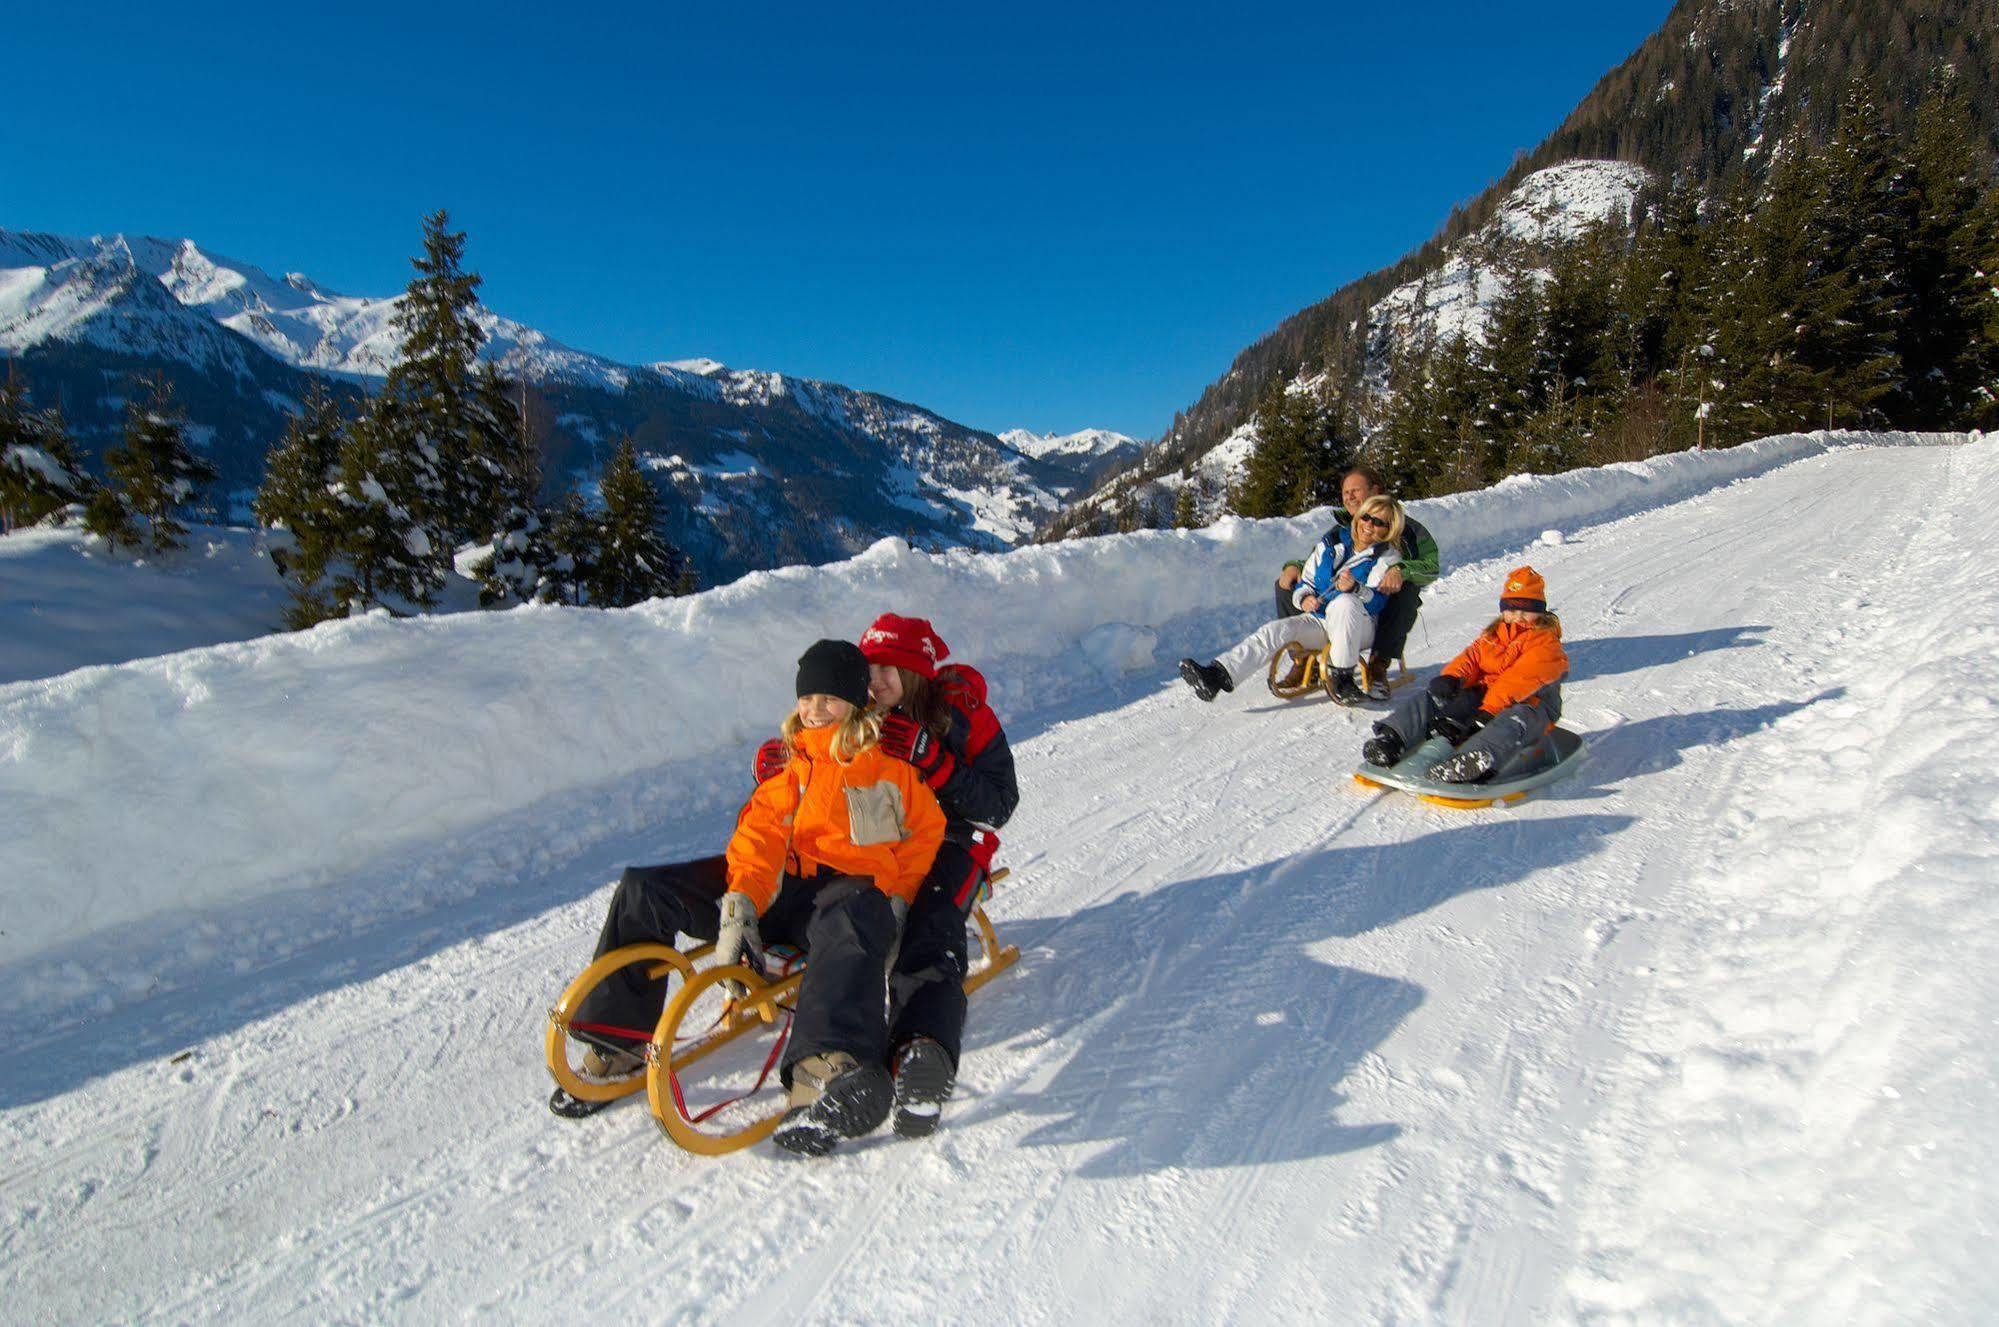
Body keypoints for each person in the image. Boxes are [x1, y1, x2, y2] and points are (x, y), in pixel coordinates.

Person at [557, 639, 946, 1158]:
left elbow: (926, 835)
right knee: (643, 889)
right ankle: (616, 1039)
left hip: (847, 900)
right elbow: (757, 841)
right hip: (779, 894)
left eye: (828, 698)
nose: (814, 710)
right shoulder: (790, 764)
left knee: (849, 911)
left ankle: (825, 1072)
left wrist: (898, 899)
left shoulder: (886, 766)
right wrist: (740, 908)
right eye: (807, 698)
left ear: (856, 702)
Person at [1181, 495, 1405, 707]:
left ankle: (1343, 679)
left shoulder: (1386, 557)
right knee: (1277, 630)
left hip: (1359, 626)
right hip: (1322, 621)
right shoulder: (1333, 542)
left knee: (1344, 603)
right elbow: (1305, 582)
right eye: (1367, 517)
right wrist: (1305, 598)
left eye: (1379, 522)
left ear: (1389, 530)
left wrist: (1355, 588)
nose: (1369, 525)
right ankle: (1218, 676)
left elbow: (1377, 603)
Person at [1361, 567, 1568, 783]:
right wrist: (1451, 678)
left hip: (1532, 702)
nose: (1518, 617)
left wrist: (1487, 713)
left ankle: (1473, 761)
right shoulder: (1494, 634)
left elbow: (1518, 681)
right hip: (1486, 694)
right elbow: (1471, 658)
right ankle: (1392, 738)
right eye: (1512, 609)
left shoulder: (1546, 643)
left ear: (1541, 611)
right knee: (1433, 696)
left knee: (1513, 721)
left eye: (1526, 610)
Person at [1332, 468, 1442, 698]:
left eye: (1356, 491)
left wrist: (1402, 570)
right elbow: (1318, 560)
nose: (1349, 497)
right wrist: (1294, 566)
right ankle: (1304, 660)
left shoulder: (1407, 528)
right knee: (1288, 584)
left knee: (1404, 591)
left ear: (1375, 490)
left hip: (1381, 605)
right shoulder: (1340, 530)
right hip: (1344, 599)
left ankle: (1378, 664)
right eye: (1345, 492)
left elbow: (1431, 566)